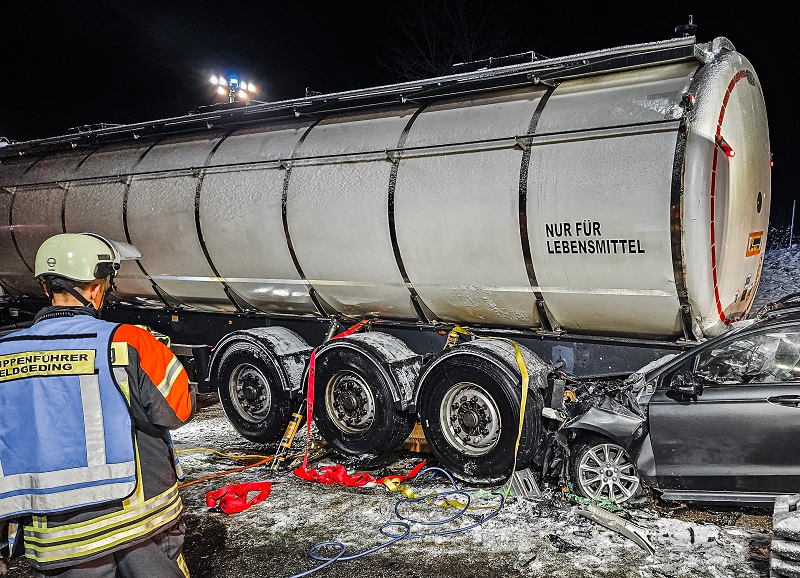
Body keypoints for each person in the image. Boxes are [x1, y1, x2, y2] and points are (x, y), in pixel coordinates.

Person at [0, 233, 195, 577]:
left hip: (61, 537)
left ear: (46, 287)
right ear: (94, 288)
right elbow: (178, 409)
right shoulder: (129, 340)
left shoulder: (5, 353)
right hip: (139, 523)